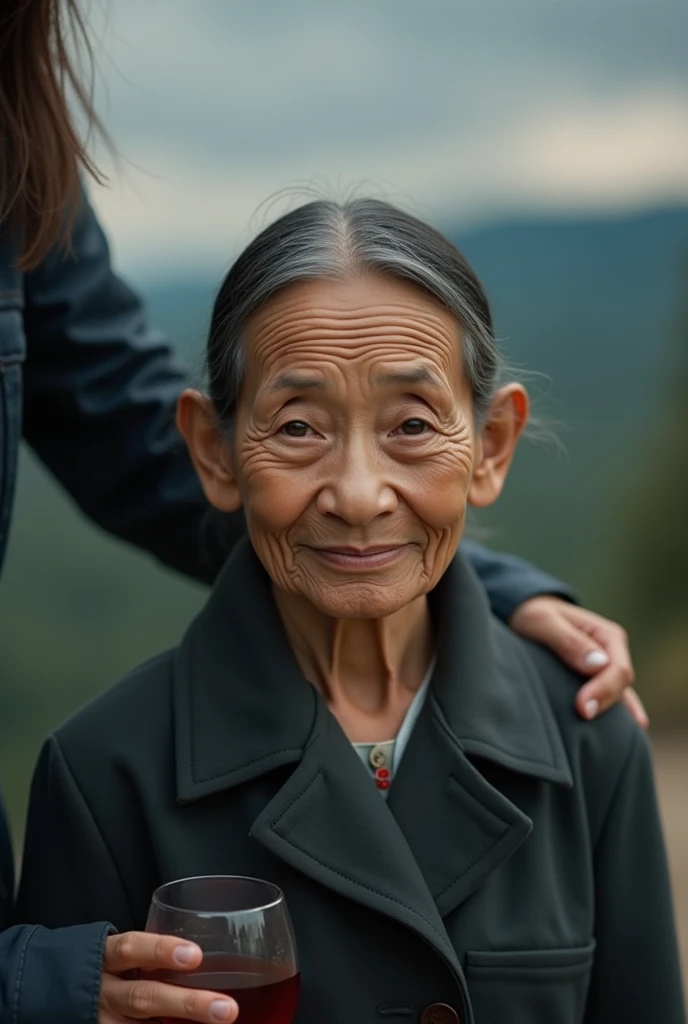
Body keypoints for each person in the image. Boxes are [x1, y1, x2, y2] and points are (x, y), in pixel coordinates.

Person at [0, 2, 645, 1022]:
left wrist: (490, 577)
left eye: (412, 425)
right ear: (213, 446)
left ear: (494, 446)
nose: (354, 492)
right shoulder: (102, 767)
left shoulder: (591, 736)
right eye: (296, 425)